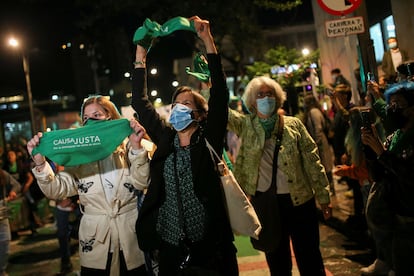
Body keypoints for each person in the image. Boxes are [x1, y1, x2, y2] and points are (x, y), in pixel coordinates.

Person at [132, 16, 238, 275]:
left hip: (209, 249)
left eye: (187, 104)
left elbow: (221, 93)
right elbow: (139, 101)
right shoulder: (165, 138)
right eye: (176, 103)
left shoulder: (208, 139)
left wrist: (208, 40)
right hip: (171, 250)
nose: (178, 108)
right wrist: (140, 54)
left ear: (200, 114)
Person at [27, 95, 151, 275]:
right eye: (85, 118)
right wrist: (40, 164)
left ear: (110, 116)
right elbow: (57, 190)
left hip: (130, 237)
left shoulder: (131, 145)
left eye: (97, 114)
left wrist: (137, 147)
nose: (90, 120)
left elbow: (142, 182)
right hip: (95, 241)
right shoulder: (79, 156)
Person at [227, 75, 331, 275]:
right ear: (251, 101)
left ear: (278, 98)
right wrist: (210, 84)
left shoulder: (294, 125)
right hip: (266, 204)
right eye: (260, 95)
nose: (266, 98)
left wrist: (324, 196)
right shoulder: (246, 125)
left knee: (309, 258)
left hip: (301, 202)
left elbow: (312, 162)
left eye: (270, 94)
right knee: (277, 260)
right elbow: (220, 112)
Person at [361, 81, 414, 276]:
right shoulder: (395, 136)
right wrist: (370, 148)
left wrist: (382, 154)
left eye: (397, 105)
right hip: (394, 214)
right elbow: (378, 176)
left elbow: (409, 175)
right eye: (389, 104)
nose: (391, 110)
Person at [4, 149, 41, 236]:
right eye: (8, 156)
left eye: (12, 155)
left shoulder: (21, 166)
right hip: (12, 192)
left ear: (15, 156)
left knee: (30, 202)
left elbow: (30, 178)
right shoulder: (5, 168)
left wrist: (26, 186)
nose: (10, 157)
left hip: (23, 189)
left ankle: (33, 226)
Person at [302, 94, 334, 195]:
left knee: (325, 165)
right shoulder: (314, 111)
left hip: (320, 143)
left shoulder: (313, 112)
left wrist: (316, 143)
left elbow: (318, 129)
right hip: (319, 142)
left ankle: (330, 188)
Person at [0, 169, 20, 276]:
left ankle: (1, 270)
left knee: (5, 243)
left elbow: (16, 185)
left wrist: (13, 191)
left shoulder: (2, 173)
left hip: (1, 213)